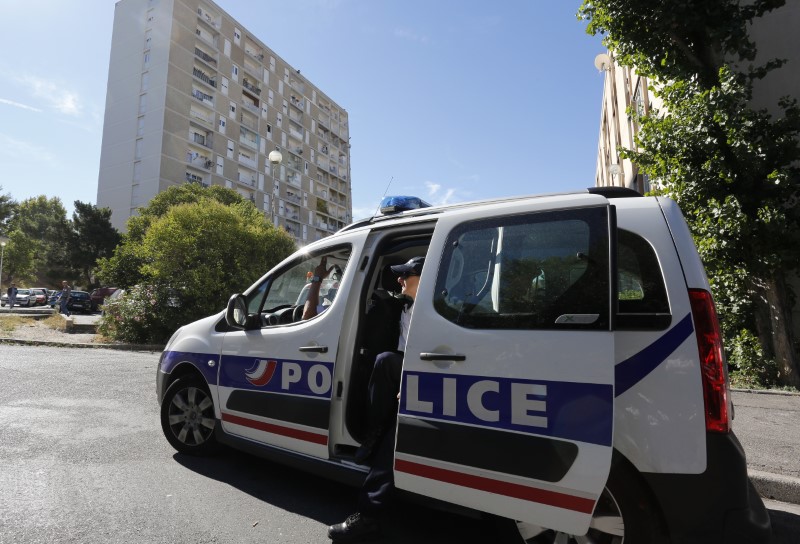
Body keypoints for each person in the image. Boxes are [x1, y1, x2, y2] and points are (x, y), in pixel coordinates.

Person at [328, 256, 424, 543]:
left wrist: (412, 383)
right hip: (405, 366)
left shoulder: (436, 309)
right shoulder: (401, 307)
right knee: (383, 361)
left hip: (426, 374)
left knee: (395, 439)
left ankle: (368, 516)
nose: (399, 280)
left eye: (406, 274)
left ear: (423, 276)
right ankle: (376, 428)